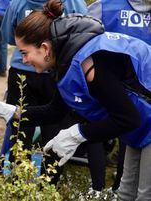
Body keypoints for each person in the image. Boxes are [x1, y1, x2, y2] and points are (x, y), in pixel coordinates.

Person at [0, 0, 151, 200]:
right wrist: (10, 111)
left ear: (45, 48)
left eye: (25, 52)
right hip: (141, 124)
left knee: (144, 195)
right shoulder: (65, 61)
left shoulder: (89, 64)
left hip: (142, 120)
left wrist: (77, 134)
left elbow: (128, 119)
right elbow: (54, 111)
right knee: (126, 194)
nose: (24, 60)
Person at [0, 0, 87, 183]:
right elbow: (82, 35)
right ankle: (47, 185)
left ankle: (16, 183)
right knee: (53, 133)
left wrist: (28, 46)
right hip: (55, 71)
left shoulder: (18, 3)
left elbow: (9, 35)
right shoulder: (74, 3)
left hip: (29, 72)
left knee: (21, 130)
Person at [87, 0, 151, 193]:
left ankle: (99, 188)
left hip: (111, 91)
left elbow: (82, 41)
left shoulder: (104, 6)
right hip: (142, 99)